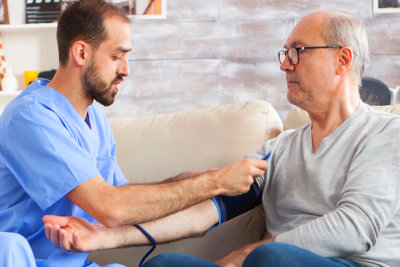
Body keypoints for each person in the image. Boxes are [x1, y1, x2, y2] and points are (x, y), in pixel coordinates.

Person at [43, 10, 400, 267]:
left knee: (270, 256)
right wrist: (108, 237)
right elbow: (205, 213)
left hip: (349, 262)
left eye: (298, 52)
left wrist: (248, 255)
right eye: (285, 53)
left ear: (342, 59)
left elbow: (356, 229)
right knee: (163, 265)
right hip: (264, 264)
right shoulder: (280, 150)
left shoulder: (385, 134)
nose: (285, 64)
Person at [0, 0, 268, 266]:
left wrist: (195, 178)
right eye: (117, 57)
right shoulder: (31, 116)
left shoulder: (94, 119)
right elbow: (111, 208)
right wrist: (215, 182)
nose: (125, 70)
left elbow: (125, 198)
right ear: (81, 53)